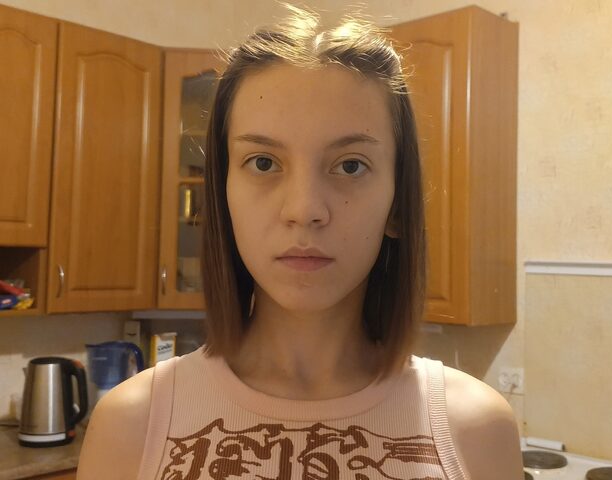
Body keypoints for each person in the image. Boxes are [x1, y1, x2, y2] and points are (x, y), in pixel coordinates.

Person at [78, 3, 523, 479]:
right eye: (264, 163)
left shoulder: (477, 430)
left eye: (350, 165)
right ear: (223, 196)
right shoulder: (131, 426)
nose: (304, 209)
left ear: (397, 204)